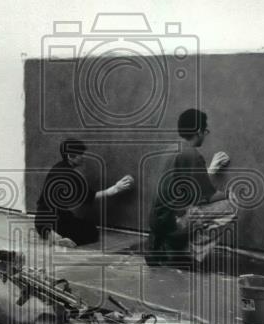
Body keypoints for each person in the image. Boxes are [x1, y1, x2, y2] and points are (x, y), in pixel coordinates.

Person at [145, 108, 235, 266]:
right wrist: (229, 193)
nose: (205, 136)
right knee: (231, 206)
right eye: (205, 131)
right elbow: (208, 196)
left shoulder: (171, 149)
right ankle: (187, 254)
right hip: (173, 223)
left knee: (192, 206)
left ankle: (164, 244)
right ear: (199, 131)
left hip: (157, 220)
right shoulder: (192, 154)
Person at [34, 139, 134, 246]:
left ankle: (49, 232)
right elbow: (89, 197)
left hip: (41, 220)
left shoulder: (57, 168)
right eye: (80, 154)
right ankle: (62, 238)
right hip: (55, 221)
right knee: (91, 231)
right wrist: (115, 188)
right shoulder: (70, 175)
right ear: (70, 156)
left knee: (70, 218)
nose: (83, 157)